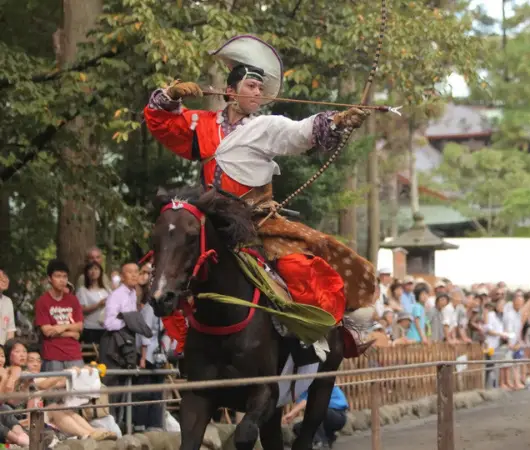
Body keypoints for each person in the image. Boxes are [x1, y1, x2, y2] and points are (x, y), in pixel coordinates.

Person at [143, 35, 375, 332]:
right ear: (230, 91)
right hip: (210, 217)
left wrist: (338, 120)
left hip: (254, 220)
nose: (257, 92)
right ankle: (185, 338)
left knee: (298, 264)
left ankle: (317, 333)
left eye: (260, 88)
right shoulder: (201, 123)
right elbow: (163, 124)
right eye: (251, 86)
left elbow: (300, 132)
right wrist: (170, 95)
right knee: (173, 260)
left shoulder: (266, 126)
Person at [34, 260, 84, 371]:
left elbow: (80, 326)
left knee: (79, 387)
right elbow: (47, 331)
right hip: (53, 355)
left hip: (74, 354)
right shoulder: (42, 301)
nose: (62, 280)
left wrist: (61, 327)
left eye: (65, 276)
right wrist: (72, 333)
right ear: (49, 279)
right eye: (58, 276)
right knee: (53, 387)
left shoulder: (73, 300)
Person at [284, 385, 349, 448]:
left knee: (316, 412)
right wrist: (290, 417)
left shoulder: (320, 383)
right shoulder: (302, 391)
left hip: (337, 415)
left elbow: (308, 400)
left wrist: (291, 413)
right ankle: (328, 437)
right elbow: (300, 404)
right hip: (325, 418)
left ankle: (321, 442)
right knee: (298, 427)